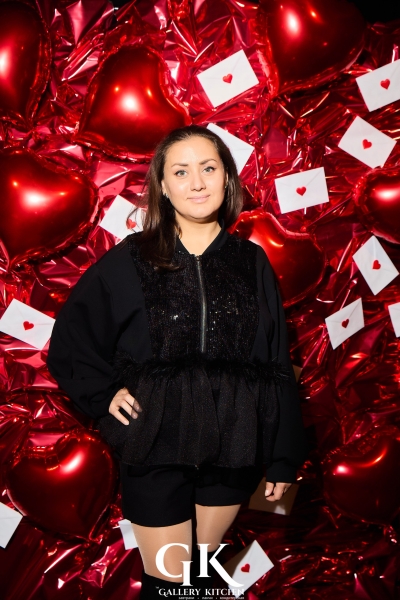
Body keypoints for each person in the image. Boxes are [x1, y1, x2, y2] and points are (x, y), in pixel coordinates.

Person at [47, 124, 308, 599]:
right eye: (181, 172)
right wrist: (103, 395)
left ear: (227, 179)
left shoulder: (252, 261)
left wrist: (283, 458)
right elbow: (71, 339)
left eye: (208, 168)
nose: (197, 183)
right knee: (168, 581)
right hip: (155, 438)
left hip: (234, 441)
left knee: (201, 576)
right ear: (163, 186)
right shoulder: (129, 259)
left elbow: (275, 363)